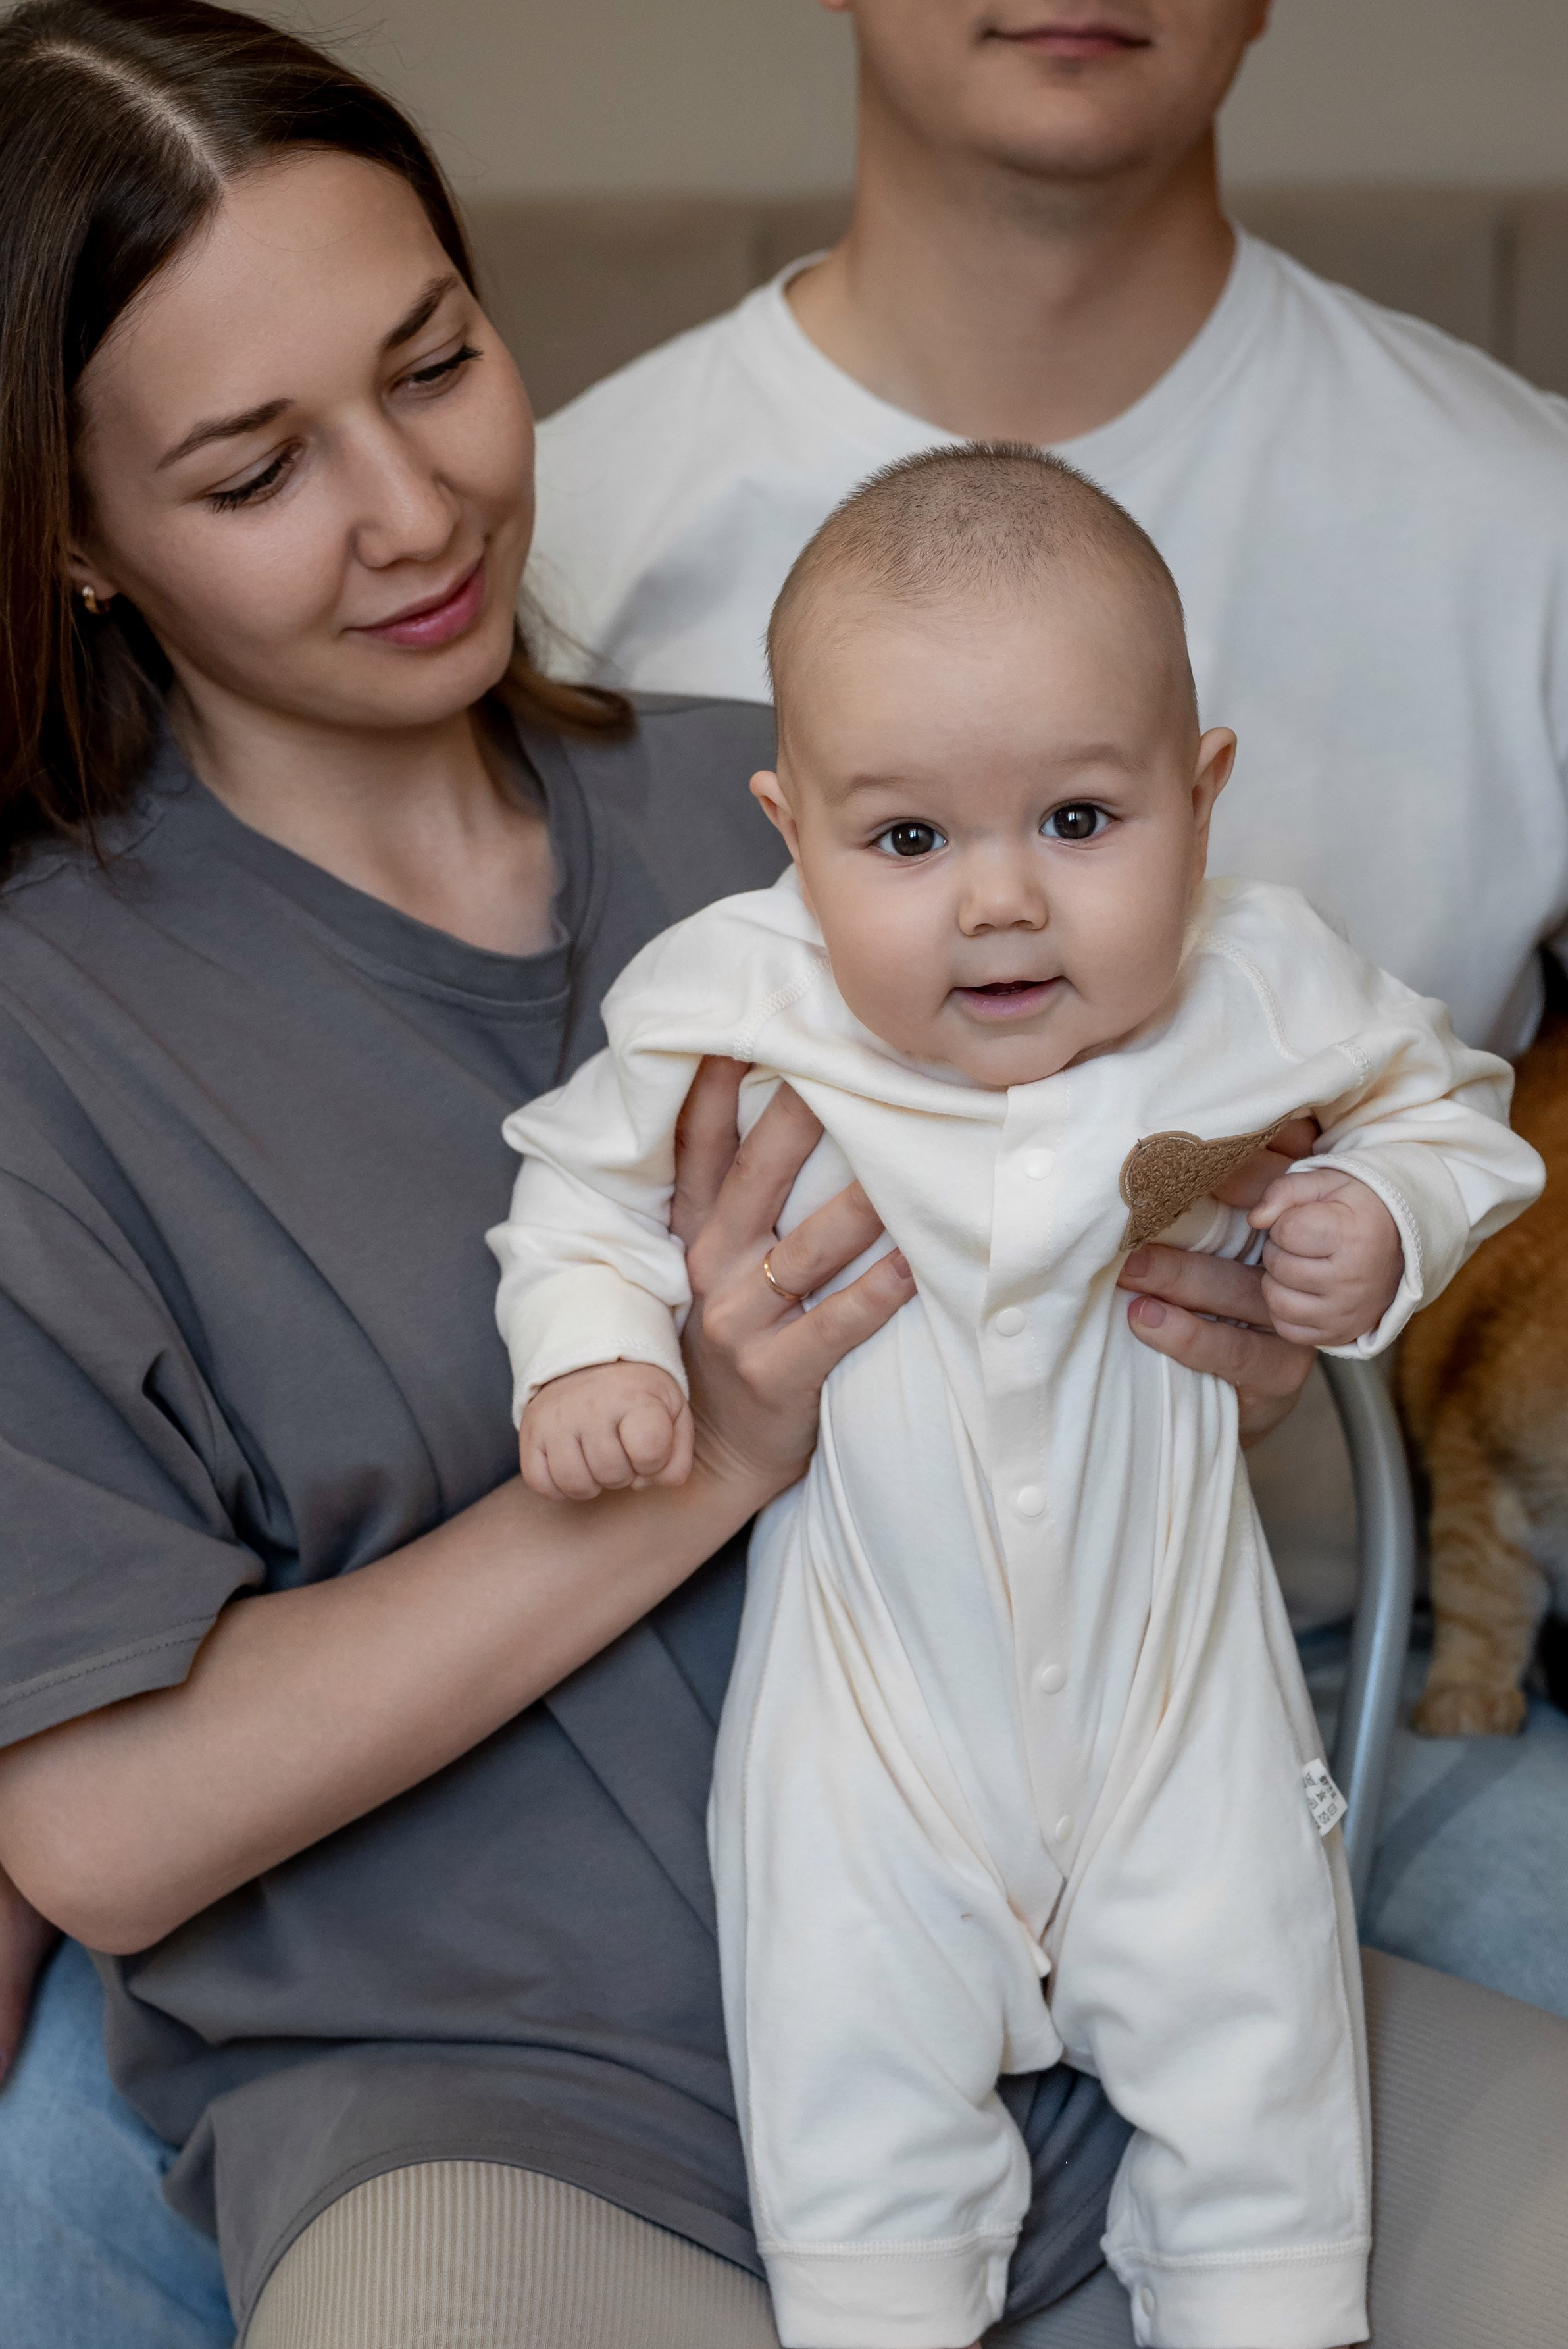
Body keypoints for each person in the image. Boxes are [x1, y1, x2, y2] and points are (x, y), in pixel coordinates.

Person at [0, 9, 1565, 2349]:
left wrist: (1216, 1323)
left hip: (1114, 2024)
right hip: (504, 2105)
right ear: (76, 537)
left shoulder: (852, 807)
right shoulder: (50, 1037)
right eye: (257, 472)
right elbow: (103, 1824)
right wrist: (707, 1453)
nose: (415, 509)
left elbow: (1198, 1195)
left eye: (435, 364)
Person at [494, 446, 1541, 2349]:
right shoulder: (735, 995)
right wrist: (592, 1345)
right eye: (905, 841)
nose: (999, 903)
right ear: (791, 832)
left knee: (1263, 2043)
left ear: (1202, 800)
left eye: (1078, 818)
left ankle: (1262, 2309)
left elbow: (1455, 1109)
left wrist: (1384, 1216)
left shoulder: (1261, 981)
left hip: (1179, 1703)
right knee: (844, 2066)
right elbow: (577, 1187)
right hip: (875, 1727)